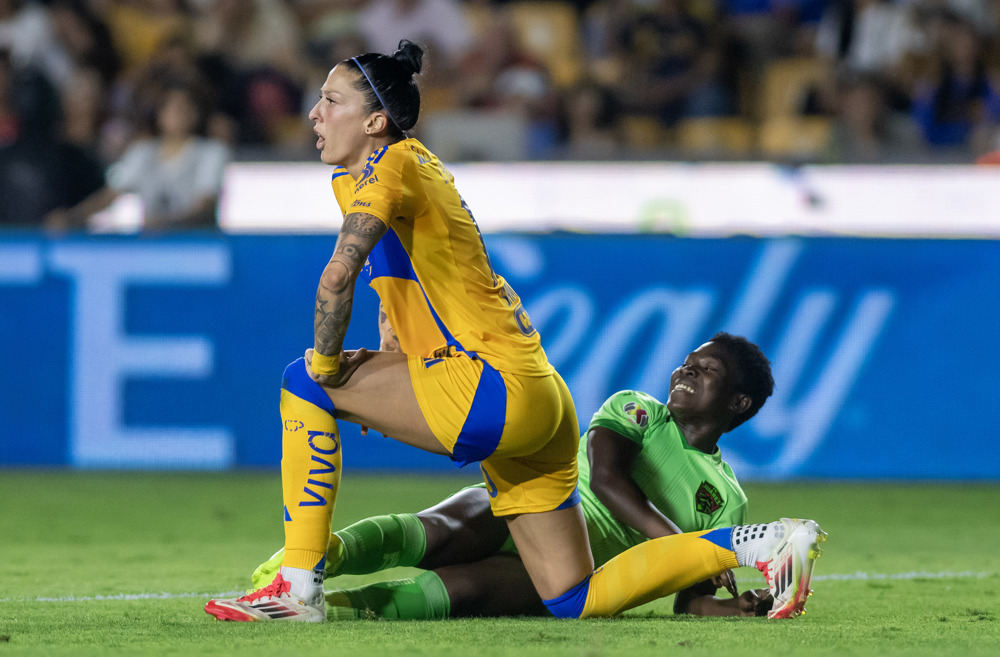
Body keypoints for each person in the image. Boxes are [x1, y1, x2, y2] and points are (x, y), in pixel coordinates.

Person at [204, 40, 825, 624]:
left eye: (331, 100)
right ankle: (762, 543)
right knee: (571, 597)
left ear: (374, 123)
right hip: (542, 400)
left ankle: (299, 587)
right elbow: (400, 276)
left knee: (303, 383)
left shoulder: (387, 168)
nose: (313, 113)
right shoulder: (402, 168)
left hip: (483, 385)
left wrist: (328, 364)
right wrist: (392, 356)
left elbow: (336, 278)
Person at [250, 333, 779, 619]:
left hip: (575, 569)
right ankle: (308, 564)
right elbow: (607, 482)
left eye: (706, 371)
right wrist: (695, 547)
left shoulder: (727, 503)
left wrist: (736, 607)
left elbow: (689, 601)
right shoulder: (637, 410)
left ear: (739, 402)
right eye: (687, 361)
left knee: (464, 593)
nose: (686, 371)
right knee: (439, 533)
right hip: (539, 504)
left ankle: (320, 611)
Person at [45, 81, 230, 231]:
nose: (175, 115)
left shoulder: (211, 152)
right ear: (159, 114)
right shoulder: (142, 151)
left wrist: (166, 223)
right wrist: (73, 216)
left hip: (198, 246)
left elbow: (205, 206)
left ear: (195, 114)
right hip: (152, 248)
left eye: (182, 108)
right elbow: (111, 195)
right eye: (170, 108)